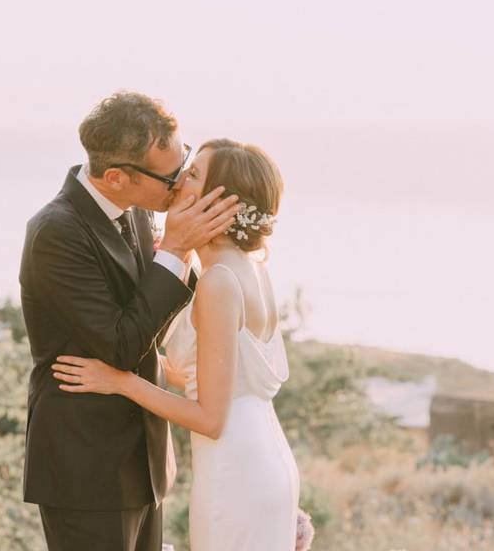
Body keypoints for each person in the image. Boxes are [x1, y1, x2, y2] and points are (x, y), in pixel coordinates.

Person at [52, 139, 300, 550]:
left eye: (195, 175)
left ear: (220, 200)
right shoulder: (251, 270)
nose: (181, 178)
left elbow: (210, 417)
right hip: (265, 459)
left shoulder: (220, 282)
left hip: (235, 469)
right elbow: (215, 375)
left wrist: (119, 381)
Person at [19, 92, 240, 551]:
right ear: (117, 176)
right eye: (172, 175)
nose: (180, 184)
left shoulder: (137, 212)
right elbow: (120, 345)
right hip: (87, 468)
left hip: (142, 460)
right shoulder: (56, 233)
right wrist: (175, 250)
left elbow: (149, 329)